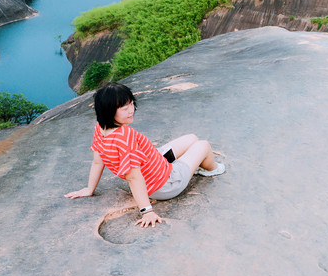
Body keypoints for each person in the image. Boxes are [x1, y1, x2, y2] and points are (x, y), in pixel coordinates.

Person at [64, 82, 225, 228]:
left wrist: (90, 189)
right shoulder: (124, 137)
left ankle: (192, 165)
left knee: (191, 138)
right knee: (203, 145)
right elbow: (133, 176)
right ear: (108, 111)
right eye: (124, 108)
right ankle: (211, 169)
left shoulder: (100, 128)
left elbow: (98, 162)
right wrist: (146, 211)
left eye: (131, 104)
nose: (131, 110)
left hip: (154, 164)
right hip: (166, 182)